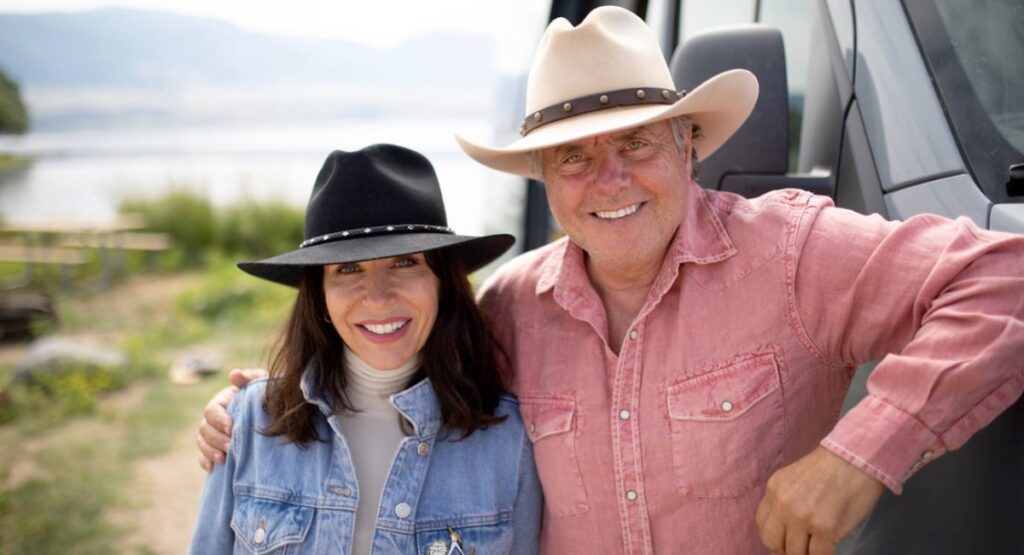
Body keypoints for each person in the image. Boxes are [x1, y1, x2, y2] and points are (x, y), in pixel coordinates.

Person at [198, 8, 1024, 555]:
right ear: (545, 182)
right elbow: (398, 365)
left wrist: (857, 456)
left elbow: (1005, 275)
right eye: (574, 155)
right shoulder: (511, 308)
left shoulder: (795, 253)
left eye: (637, 143)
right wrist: (257, 407)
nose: (610, 178)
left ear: (688, 145)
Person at [189, 144, 542, 554]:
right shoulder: (249, 421)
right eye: (348, 269)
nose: (377, 297)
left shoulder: (507, 440)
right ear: (319, 296)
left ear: (442, 284)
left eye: (405, 262)